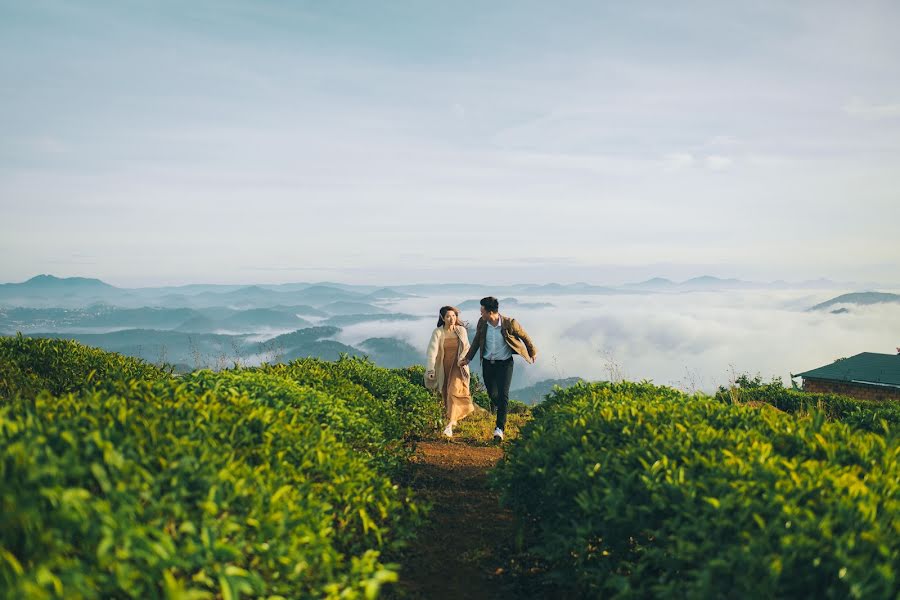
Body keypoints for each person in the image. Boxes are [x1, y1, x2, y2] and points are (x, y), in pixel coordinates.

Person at [459, 296, 537, 442]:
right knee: (493, 394)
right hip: (488, 363)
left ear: (490, 312)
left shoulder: (509, 323)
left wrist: (531, 352)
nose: (480, 314)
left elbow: (524, 336)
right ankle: (500, 406)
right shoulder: (482, 323)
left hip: (505, 364)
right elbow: (476, 341)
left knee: (503, 395)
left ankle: (499, 429)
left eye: (482, 311)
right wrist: (468, 358)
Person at [425, 305, 475, 438]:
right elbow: (432, 352)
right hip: (443, 367)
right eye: (448, 316)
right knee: (446, 394)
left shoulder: (461, 330)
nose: (451, 318)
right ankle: (452, 420)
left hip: (458, 367)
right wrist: (430, 369)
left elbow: (466, 347)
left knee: (453, 391)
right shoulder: (438, 332)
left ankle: (449, 426)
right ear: (442, 318)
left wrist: (463, 360)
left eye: (454, 316)